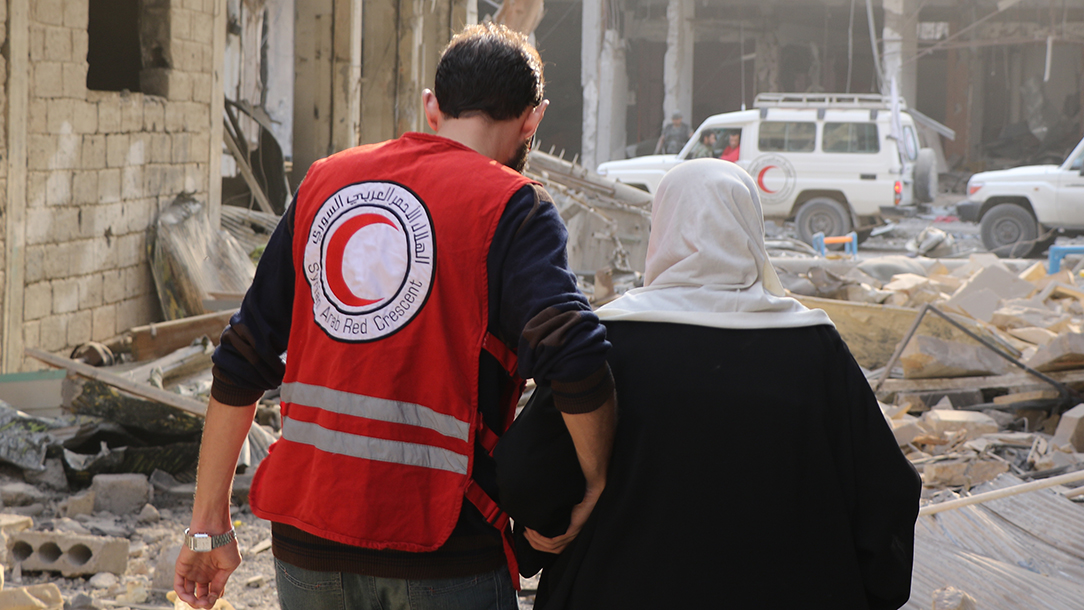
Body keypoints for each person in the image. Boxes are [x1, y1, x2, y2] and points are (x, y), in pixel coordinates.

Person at [174, 23, 617, 610]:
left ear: (433, 108)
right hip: (443, 544)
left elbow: (242, 356)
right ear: (533, 120)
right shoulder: (513, 208)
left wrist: (209, 526)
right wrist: (595, 482)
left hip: (308, 540)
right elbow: (576, 356)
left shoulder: (323, 182)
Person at [533, 159, 921, 609]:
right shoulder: (812, 347)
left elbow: (532, 474)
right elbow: (885, 488)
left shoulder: (603, 340)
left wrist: (543, 530)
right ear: (749, 227)